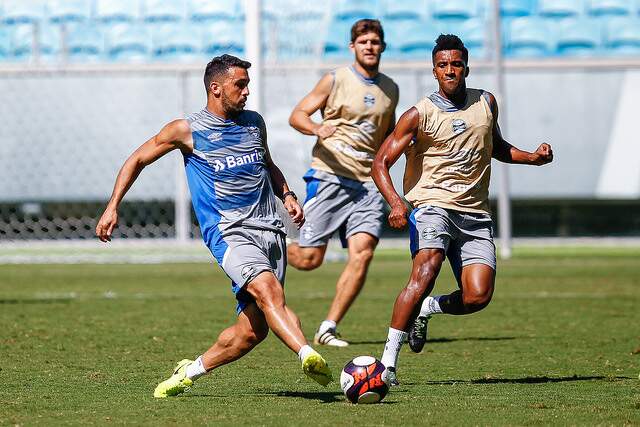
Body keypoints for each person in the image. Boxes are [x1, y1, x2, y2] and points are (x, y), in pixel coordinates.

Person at [95, 54, 333, 398]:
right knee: (270, 293)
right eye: (241, 84)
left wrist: (287, 195)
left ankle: (187, 372)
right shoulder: (186, 130)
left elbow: (267, 164)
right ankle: (307, 354)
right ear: (215, 88)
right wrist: (112, 206)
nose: (247, 91)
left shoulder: (254, 122)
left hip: (271, 232)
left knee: (252, 331)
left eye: (247, 84)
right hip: (229, 233)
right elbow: (137, 159)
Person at [372, 35, 553, 385]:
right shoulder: (418, 114)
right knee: (426, 271)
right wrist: (396, 202)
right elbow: (381, 162)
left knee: (477, 296)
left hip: (474, 213)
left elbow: (496, 146)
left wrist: (532, 157)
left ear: (466, 67)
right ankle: (387, 364)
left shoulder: (485, 102)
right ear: (434, 70)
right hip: (432, 205)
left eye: (456, 64)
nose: (450, 71)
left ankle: (429, 309)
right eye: (443, 66)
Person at [286, 19, 399, 347]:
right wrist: (317, 129)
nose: (369, 46)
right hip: (330, 177)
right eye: (363, 41)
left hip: (368, 184)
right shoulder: (335, 80)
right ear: (353, 47)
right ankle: (270, 245)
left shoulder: (390, 89)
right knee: (309, 260)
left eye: (375, 41)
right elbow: (298, 115)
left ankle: (328, 327)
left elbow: (389, 136)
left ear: (382, 47)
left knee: (362, 254)